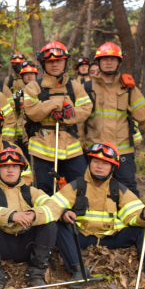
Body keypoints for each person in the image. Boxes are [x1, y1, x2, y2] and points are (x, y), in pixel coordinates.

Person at [50, 142, 145, 289]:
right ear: (89, 163)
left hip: (111, 237)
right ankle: (78, 271)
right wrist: (63, 213)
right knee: (59, 224)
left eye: (105, 163)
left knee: (143, 230)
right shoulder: (76, 186)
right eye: (95, 162)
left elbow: (134, 213)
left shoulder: (119, 188)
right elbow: (52, 205)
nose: (99, 166)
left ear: (112, 167)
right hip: (82, 236)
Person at [84, 42, 145, 195]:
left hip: (122, 153)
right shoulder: (87, 88)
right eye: (105, 59)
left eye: (113, 58)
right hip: (95, 152)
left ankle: (133, 219)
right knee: (92, 192)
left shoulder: (128, 89)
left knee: (127, 191)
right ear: (98, 62)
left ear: (119, 62)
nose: (109, 62)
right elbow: (79, 122)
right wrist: (80, 148)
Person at [0, 147, 58, 289]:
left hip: (27, 245)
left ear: (21, 170)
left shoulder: (32, 191)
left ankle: (36, 275)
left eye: (14, 166)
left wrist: (33, 213)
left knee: (50, 225)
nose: (10, 170)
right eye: (5, 166)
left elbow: (54, 207)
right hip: (2, 246)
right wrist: (11, 215)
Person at [23, 41, 93, 194]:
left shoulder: (75, 86)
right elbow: (32, 112)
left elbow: (86, 109)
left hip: (72, 149)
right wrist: (56, 104)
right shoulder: (33, 87)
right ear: (43, 63)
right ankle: (50, 218)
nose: (54, 64)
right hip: (42, 149)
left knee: (80, 189)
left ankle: (74, 217)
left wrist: (67, 115)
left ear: (65, 62)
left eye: (59, 61)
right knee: (45, 191)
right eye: (50, 61)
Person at [13, 62, 39, 162]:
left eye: (32, 74)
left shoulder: (42, 92)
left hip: (38, 136)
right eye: (26, 74)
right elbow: (13, 116)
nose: (29, 76)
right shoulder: (17, 95)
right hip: (20, 136)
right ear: (22, 76)